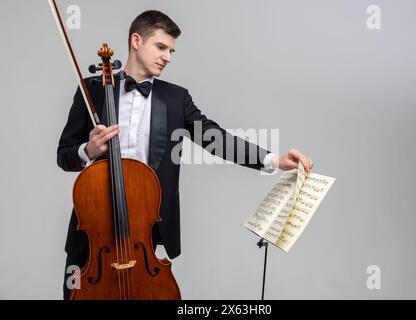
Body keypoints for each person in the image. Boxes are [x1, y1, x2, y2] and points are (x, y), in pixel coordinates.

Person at [57, 10, 313, 299]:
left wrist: (274, 160)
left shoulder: (176, 98)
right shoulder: (91, 90)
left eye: (171, 51)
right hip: (93, 236)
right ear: (137, 41)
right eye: (161, 47)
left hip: (143, 236)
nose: (168, 57)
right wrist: (88, 150)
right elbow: (64, 155)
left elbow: (216, 139)